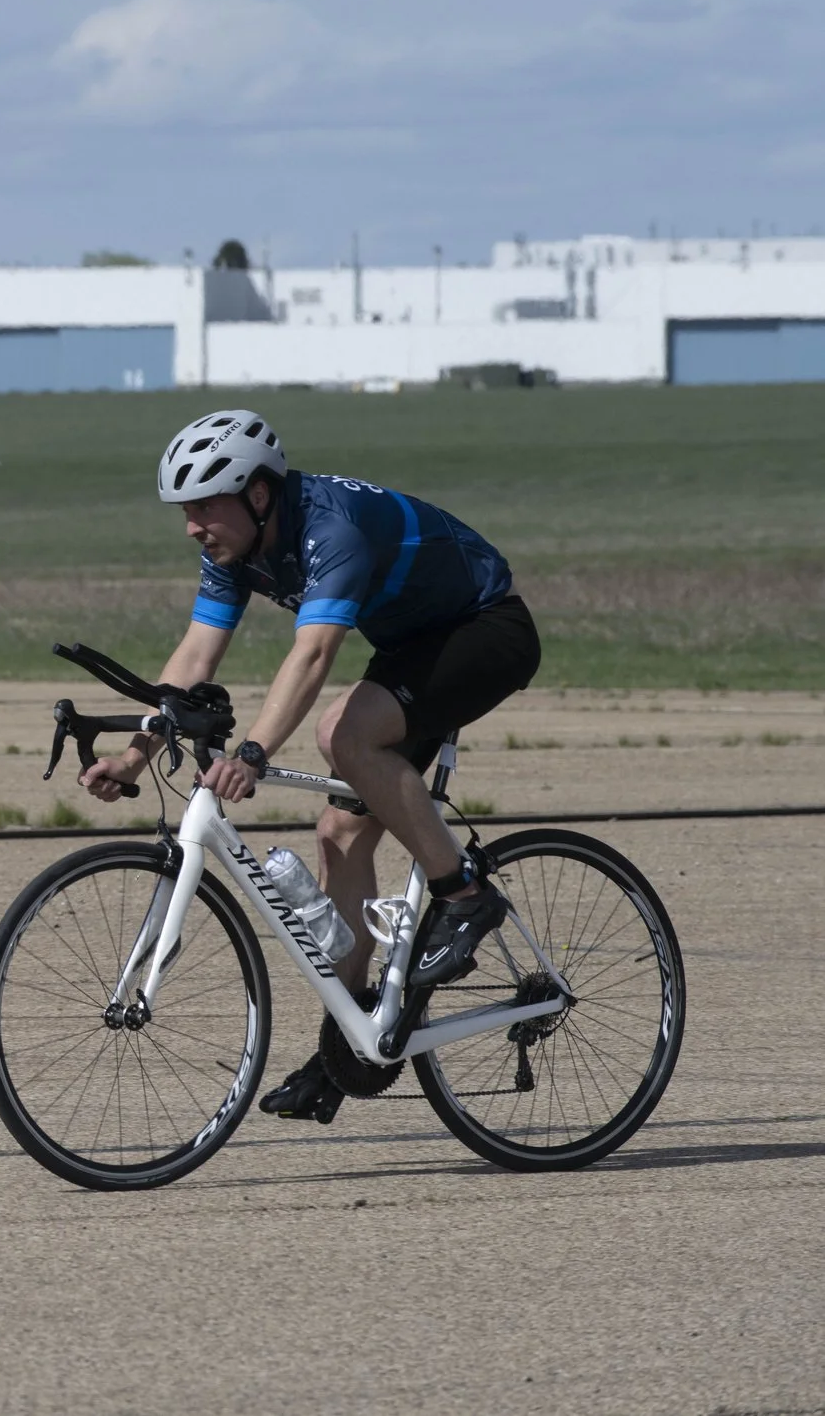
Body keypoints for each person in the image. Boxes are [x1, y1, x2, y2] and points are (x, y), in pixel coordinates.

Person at [78, 409, 541, 1124]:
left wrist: (255, 752)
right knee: (339, 837)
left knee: (343, 734)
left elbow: (315, 653)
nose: (194, 525)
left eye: (206, 506)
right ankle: (349, 1047)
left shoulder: (333, 526)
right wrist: (136, 752)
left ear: (258, 495)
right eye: (185, 510)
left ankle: (463, 895)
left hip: (486, 629)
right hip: (413, 645)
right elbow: (196, 655)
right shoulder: (239, 550)